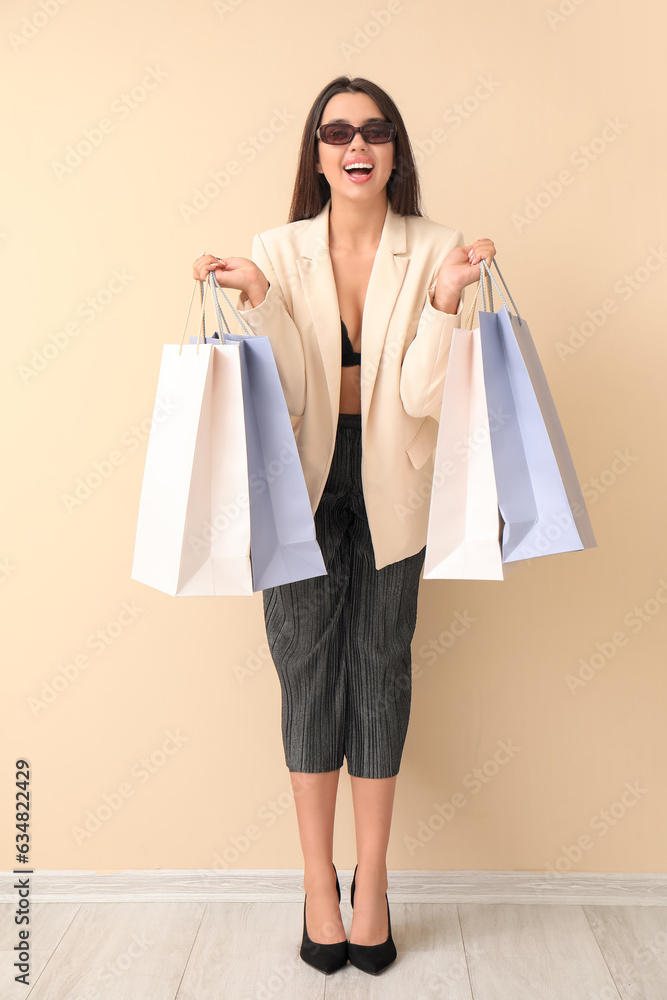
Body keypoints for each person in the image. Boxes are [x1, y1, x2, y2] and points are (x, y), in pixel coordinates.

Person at [193, 75, 496, 976]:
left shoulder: (435, 247)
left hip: (394, 479)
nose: (353, 144)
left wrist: (444, 303)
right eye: (335, 132)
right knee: (303, 670)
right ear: (316, 153)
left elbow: (418, 397)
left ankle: (373, 878)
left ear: (395, 149)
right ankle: (315, 883)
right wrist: (257, 299)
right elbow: (286, 394)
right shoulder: (275, 249)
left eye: (372, 130)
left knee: (380, 667)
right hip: (299, 482)